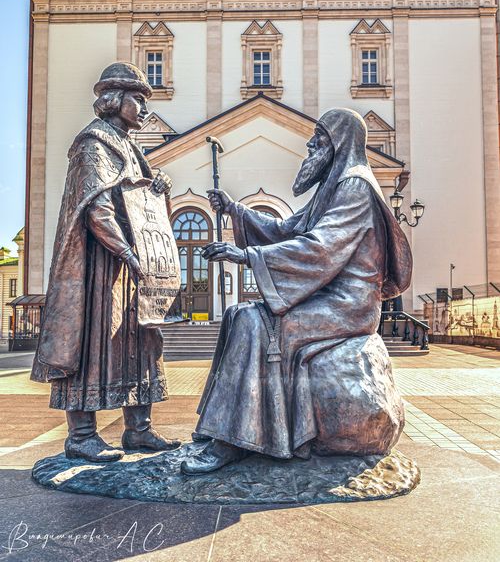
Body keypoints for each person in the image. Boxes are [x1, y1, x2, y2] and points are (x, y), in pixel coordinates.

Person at [181, 108, 412, 475]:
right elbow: (291, 228)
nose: (309, 145)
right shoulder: (333, 185)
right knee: (239, 315)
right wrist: (236, 210)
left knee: (254, 324)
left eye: (317, 139)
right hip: (325, 297)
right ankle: (227, 429)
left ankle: (232, 441)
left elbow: (320, 248)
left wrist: (246, 255)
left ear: (337, 144)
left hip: (347, 305)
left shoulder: (354, 185)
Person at [31, 63, 180, 463]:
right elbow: (97, 208)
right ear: (114, 99)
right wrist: (127, 252)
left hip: (130, 274)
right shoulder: (93, 143)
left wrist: (157, 187)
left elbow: (141, 204)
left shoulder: (131, 148)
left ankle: (139, 430)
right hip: (99, 271)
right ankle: (81, 435)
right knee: (91, 345)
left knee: (141, 344)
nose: (144, 108)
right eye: (138, 99)